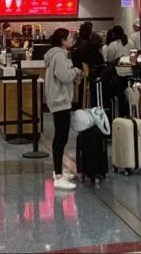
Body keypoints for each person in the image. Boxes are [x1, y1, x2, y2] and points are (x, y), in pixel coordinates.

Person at [44, 28, 82, 191]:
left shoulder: (56, 54)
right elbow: (64, 76)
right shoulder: (59, 55)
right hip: (60, 101)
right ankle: (58, 176)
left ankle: (57, 171)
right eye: (69, 37)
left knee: (60, 137)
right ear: (62, 40)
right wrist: (76, 71)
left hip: (59, 100)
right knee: (62, 137)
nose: (72, 39)